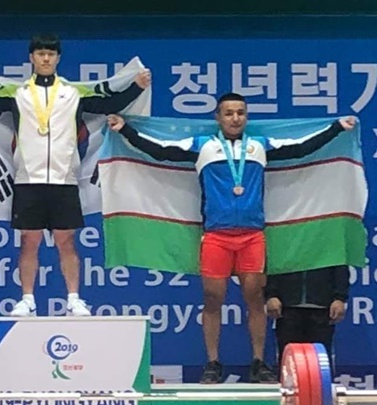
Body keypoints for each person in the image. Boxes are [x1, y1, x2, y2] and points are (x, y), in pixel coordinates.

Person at [107, 92, 356, 383]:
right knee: (213, 298)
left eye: (240, 113)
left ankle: (258, 362)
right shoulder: (203, 146)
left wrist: (336, 128)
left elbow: (300, 147)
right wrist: (125, 130)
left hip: (252, 236)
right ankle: (213, 362)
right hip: (216, 236)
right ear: (218, 117)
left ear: (246, 116)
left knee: (255, 298)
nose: (235, 118)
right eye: (229, 113)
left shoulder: (259, 146)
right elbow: (160, 150)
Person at [0, 33, 151, 317]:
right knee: (28, 242)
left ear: (58, 58)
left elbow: (108, 104)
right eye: (40, 53)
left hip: (64, 180)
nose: (45, 58)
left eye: (50, 54)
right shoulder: (17, 94)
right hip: (27, 180)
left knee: (66, 241)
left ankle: (74, 298)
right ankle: (27, 299)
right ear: (31, 58)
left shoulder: (73, 93)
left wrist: (136, 86)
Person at [266, 266, 348, 375]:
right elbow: (275, 264)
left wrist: (340, 298)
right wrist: (271, 295)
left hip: (322, 307)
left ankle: (321, 385)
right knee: (288, 359)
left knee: (321, 360)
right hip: (288, 306)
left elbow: (340, 267)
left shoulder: (332, 253)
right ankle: (288, 385)